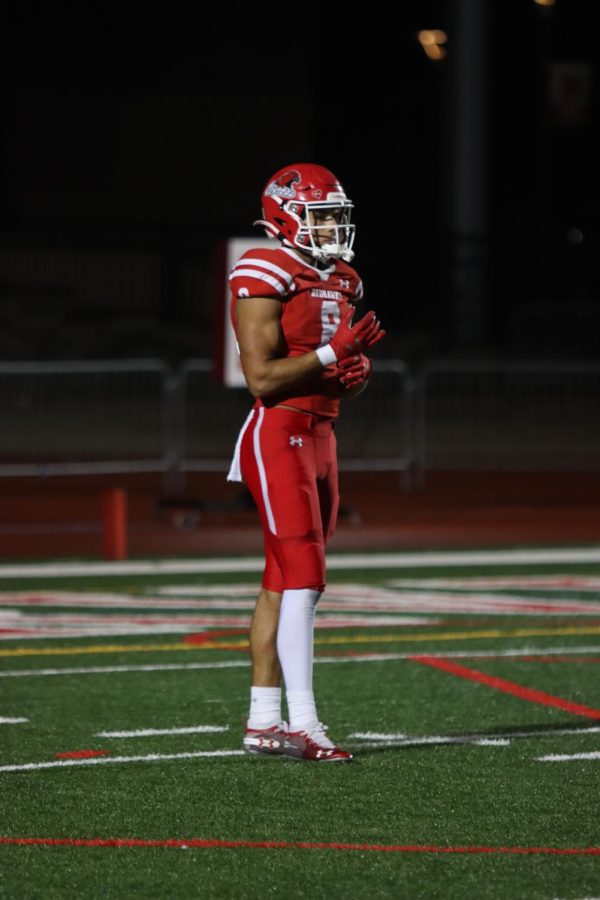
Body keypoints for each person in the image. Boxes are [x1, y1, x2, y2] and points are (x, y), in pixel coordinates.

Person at [227, 163, 385, 762]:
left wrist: (354, 374)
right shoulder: (263, 269)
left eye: (335, 216)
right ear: (287, 216)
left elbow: (334, 373)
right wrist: (331, 351)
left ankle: (263, 720)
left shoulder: (344, 279)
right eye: (321, 216)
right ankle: (303, 722)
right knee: (306, 580)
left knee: (282, 581)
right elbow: (262, 378)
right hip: (279, 433)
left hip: (323, 434)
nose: (331, 227)